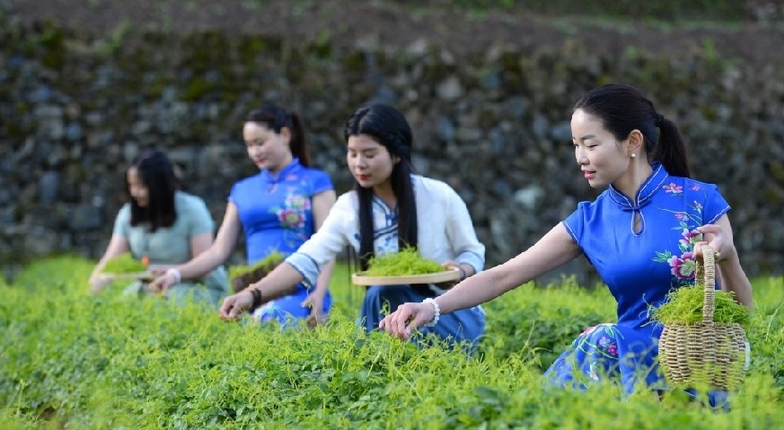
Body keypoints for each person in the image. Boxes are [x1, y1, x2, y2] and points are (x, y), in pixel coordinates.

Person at [380, 83, 754, 399]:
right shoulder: (590, 220)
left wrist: (730, 258)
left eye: (590, 144)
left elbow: (742, 313)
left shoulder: (699, 201)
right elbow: (506, 274)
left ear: (632, 142)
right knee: (602, 343)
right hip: (625, 362)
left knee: (602, 341)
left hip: (698, 362)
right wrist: (432, 307)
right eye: (575, 145)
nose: (580, 158)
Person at [218, 104, 487, 349]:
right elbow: (307, 258)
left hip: (449, 313)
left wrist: (460, 270)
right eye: (352, 153)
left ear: (396, 155)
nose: (359, 164)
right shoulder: (350, 207)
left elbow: (472, 251)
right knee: (381, 295)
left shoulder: (439, 195)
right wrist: (253, 295)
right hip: (391, 312)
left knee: (381, 295)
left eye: (369, 154)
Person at [149, 104, 337, 327]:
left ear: (285, 135)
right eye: (249, 145)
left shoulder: (315, 182)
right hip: (253, 292)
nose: (255, 151)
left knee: (270, 321)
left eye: (260, 142)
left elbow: (328, 245)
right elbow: (218, 251)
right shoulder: (242, 189)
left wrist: (318, 294)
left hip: (303, 292)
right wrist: (176, 274)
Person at [89, 149, 229, 305]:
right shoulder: (128, 213)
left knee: (161, 302)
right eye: (131, 185)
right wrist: (96, 281)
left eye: (141, 186)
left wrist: (171, 271)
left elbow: (206, 266)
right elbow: (110, 260)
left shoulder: (192, 209)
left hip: (195, 285)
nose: (134, 192)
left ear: (161, 186)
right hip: (152, 284)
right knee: (122, 304)